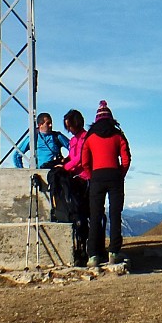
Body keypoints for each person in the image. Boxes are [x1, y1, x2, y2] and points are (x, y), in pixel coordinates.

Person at [81, 100, 131, 267]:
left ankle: (93, 255)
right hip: (114, 176)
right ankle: (114, 252)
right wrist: (120, 174)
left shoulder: (90, 137)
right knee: (115, 214)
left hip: (96, 177)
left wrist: (91, 175)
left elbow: (84, 161)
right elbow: (126, 159)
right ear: (111, 118)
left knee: (95, 215)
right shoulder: (118, 135)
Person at [61, 109, 92, 255]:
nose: (69, 130)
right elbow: (72, 156)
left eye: (70, 126)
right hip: (74, 177)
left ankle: (86, 244)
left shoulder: (86, 137)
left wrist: (66, 167)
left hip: (85, 178)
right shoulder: (73, 140)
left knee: (84, 212)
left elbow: (80, 158)